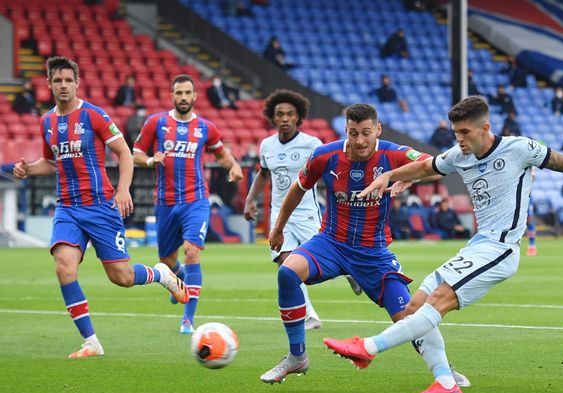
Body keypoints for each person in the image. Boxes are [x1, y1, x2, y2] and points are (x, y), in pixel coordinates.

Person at [323, 95, 563, 393]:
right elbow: (425, 167)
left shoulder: (519, 148)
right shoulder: (459, 156)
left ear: (485, 128)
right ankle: (445, 382)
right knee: (412, 309)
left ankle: (366, 347)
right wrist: (390, 176)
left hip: (502, 248)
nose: (459, 139)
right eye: (455, 133)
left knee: (437, 302)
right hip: (478, 246)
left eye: (464, 132)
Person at [259, 103, 470, 388]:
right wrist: (278, 228)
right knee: (287, 271)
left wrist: (404, 176)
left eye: (366, 133)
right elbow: (298, 188)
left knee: (409, 316)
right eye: (353, 133)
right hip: (331, 243)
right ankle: (297, 356)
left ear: (377, 130)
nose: (359, 140)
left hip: (373, 252)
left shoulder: (393, 153)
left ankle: (444, 371)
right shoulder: (325, 155)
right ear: (345, 129)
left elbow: (433, 166)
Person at [11, 57, 188, 358]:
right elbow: (51, 162)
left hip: (100, 206)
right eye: (57, 81)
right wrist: (28, 168)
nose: (63, 85)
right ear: (49, 84)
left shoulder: (93, 115)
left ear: (77, 82)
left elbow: (125, 153)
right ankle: (91, 341)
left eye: (69, 80)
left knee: (122, 278)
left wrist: (122, 191)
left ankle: (161, 274)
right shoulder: (47, 122)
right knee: (64, 267)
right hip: (67, 207)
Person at [133, 74, 244, 333]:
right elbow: (135, 154)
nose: (183, 97)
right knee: (166, 259)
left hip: (196, 200)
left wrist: (235, 165)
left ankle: (187, 319)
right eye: (178, 93)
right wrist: (150, 160)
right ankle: (178, 280)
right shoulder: (156, 123)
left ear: (195, 96)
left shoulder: (206, 127)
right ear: (172, 96)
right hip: (166, 202)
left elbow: (221, 154)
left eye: (187, 93)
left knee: (192, 251)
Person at [243, 89, 362, 331]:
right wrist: (250, 199)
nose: (285, 119)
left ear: (298, 117)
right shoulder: (266, 145)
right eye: (279, 114)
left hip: (307, 212)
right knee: (286, 264)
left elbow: (331, 174)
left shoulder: (311, 144)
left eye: (290, 114)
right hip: (280, 214)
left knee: (327, 256)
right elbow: (263, 174)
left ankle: (350, 271)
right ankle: (309, 316)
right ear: (272, 118)